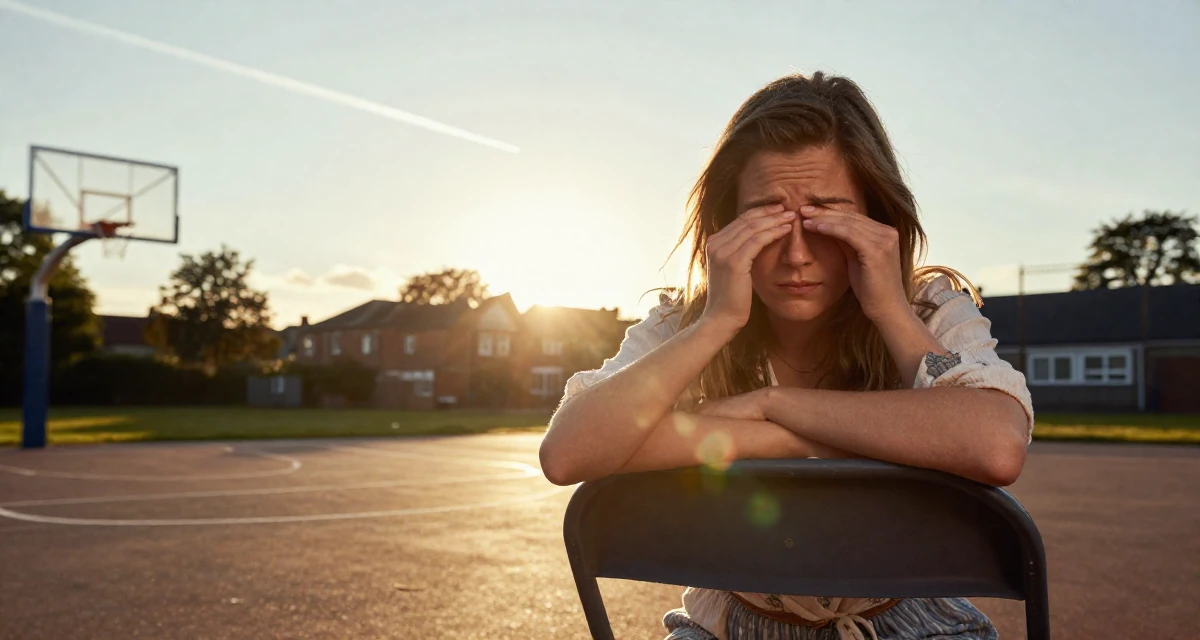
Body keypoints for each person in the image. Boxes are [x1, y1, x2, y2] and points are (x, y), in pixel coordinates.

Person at [538, 72, 1034, 640]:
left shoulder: (929, 309)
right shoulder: (684, 323)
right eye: (766, 222)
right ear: (724, 228)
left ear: (878, 221)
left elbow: (994, 444)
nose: (797, 255)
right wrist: (720, 323)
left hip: (915, 623)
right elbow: (569, 453)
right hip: (726, 627)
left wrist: (773, 403)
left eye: (826, 219)